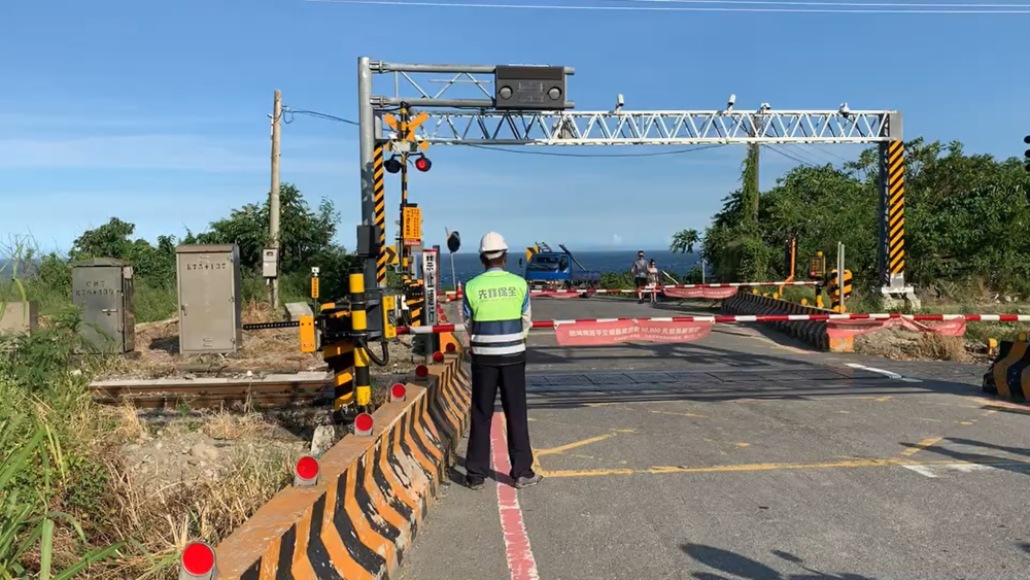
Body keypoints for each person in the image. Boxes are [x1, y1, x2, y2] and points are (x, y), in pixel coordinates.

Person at [461, 231, 542, 490]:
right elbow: (526, 320)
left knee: (481, 413)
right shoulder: (519, 284)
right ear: (505, 257)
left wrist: (479, 340)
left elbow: (467, 322)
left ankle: (475, 474)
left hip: (483, 357)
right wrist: (518, 339)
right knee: (516, 412)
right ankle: (522, 472)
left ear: (482, 258)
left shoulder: (471, 287)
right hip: (513, 356)